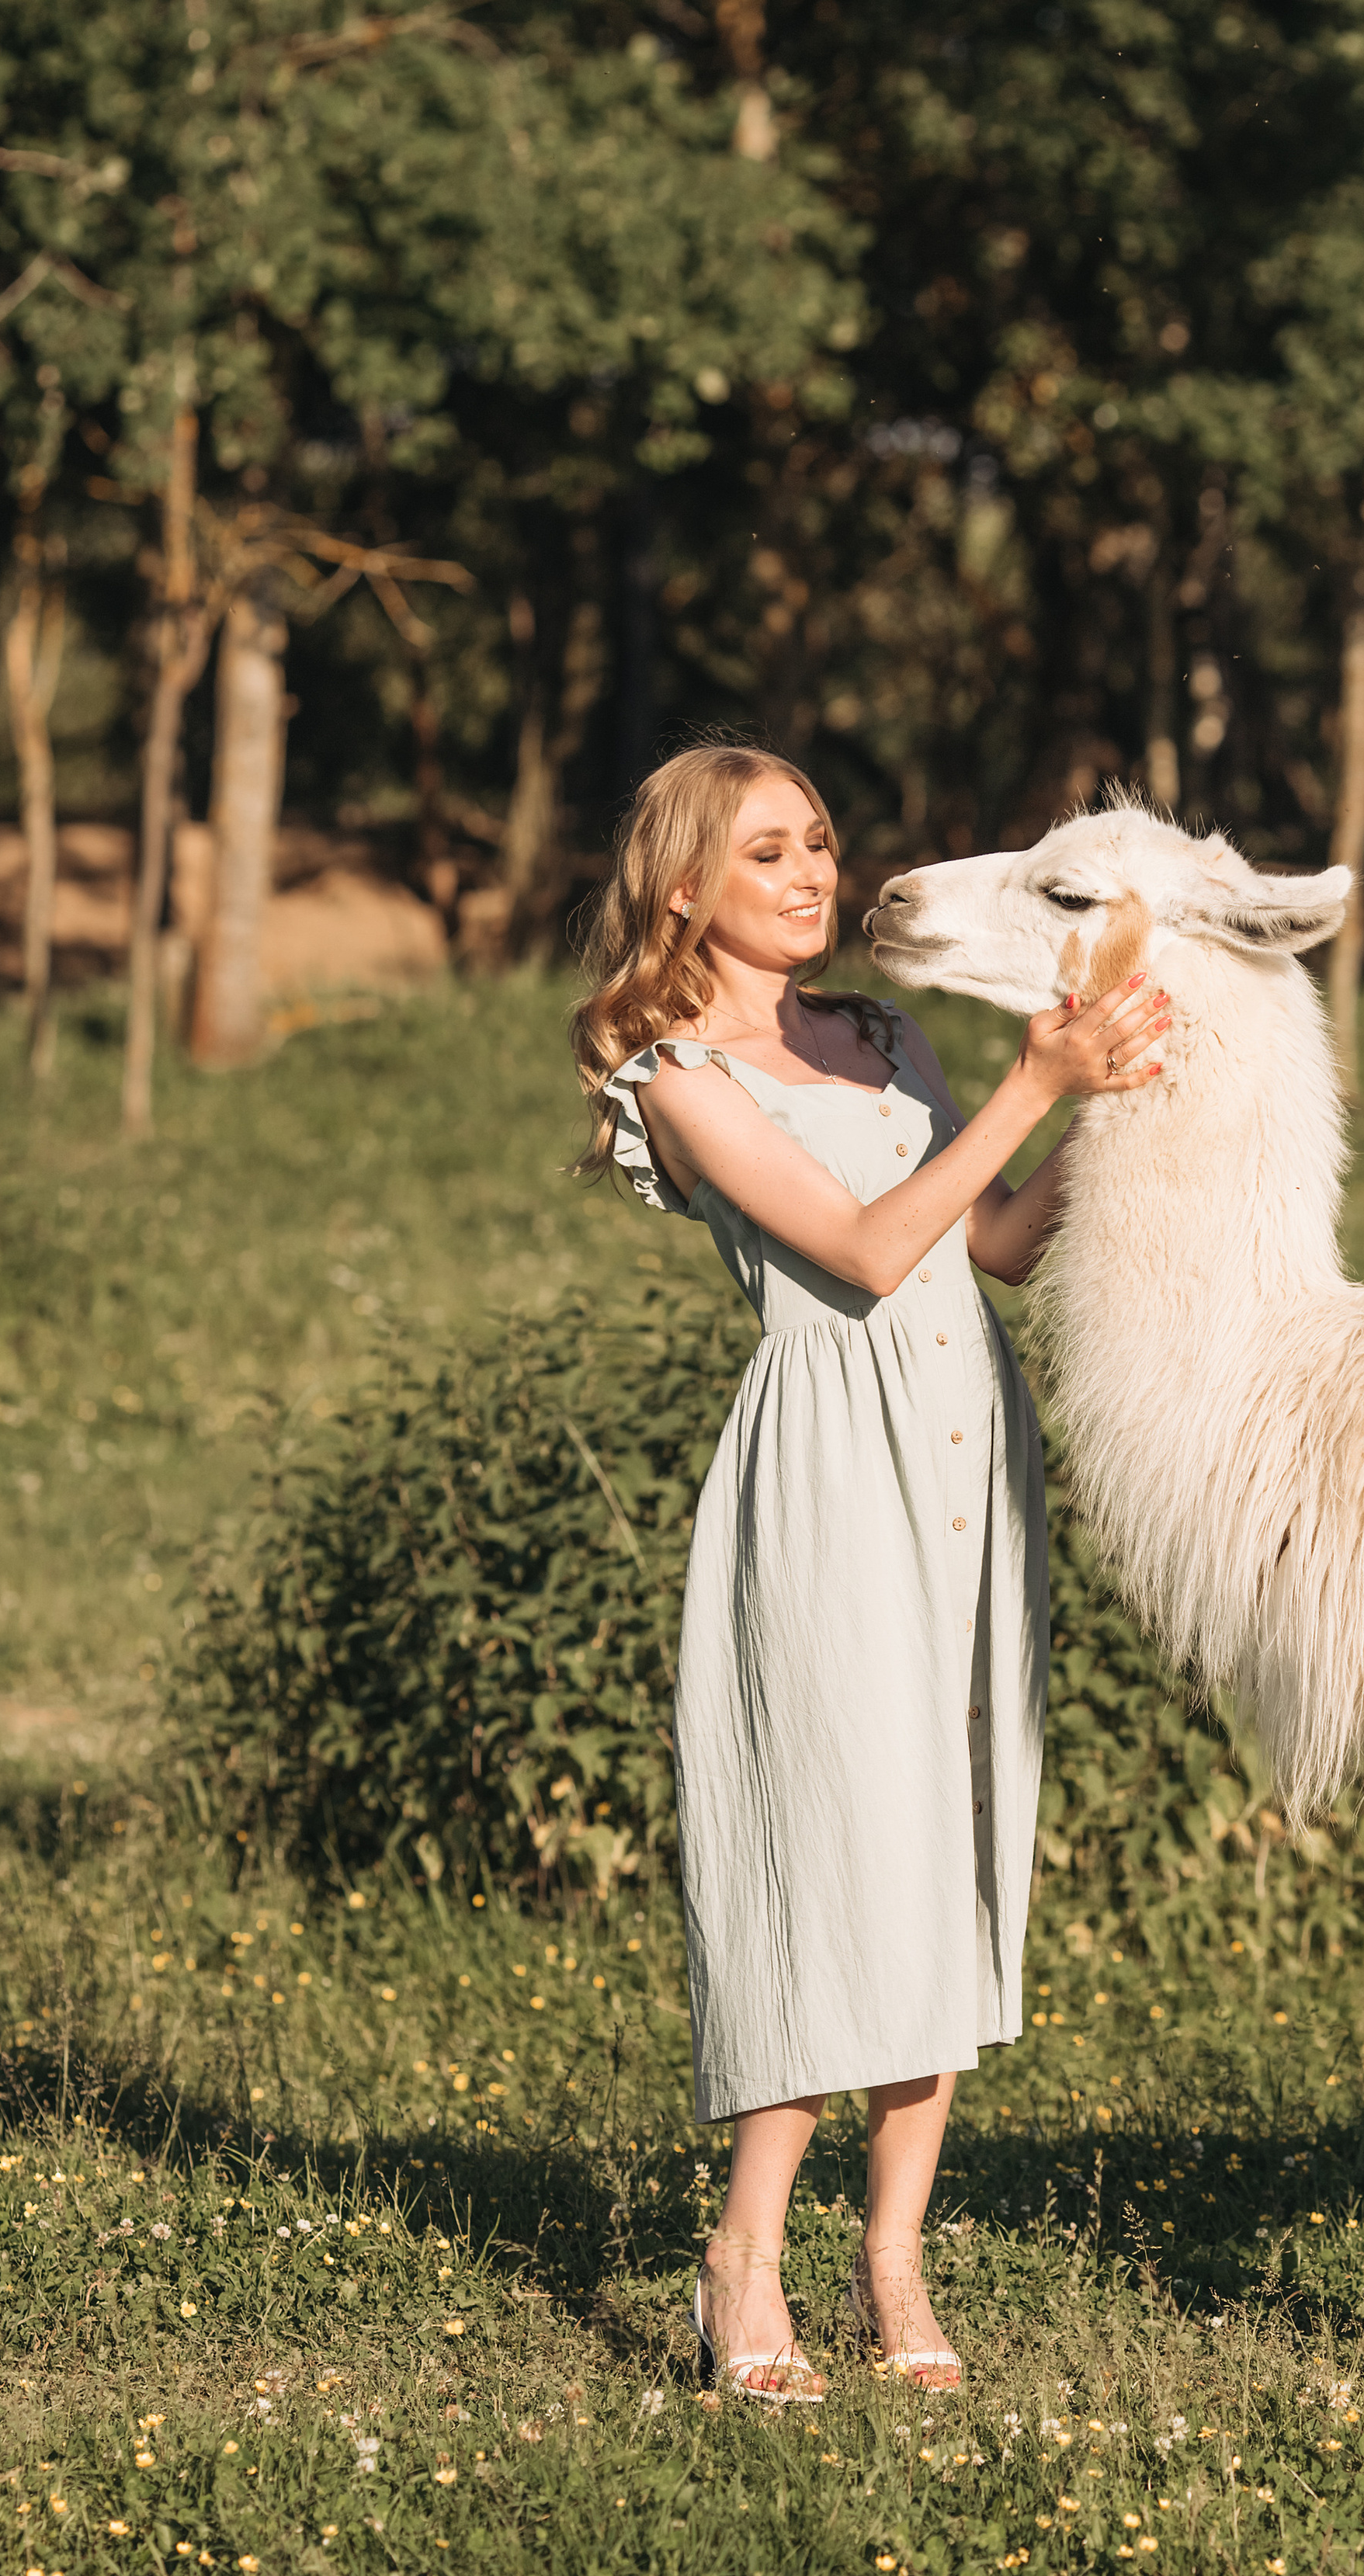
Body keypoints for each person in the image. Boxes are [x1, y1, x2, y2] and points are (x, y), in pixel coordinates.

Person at [569, 745, 1167, 2401]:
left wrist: (1115, 1095)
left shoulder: (885, 1035)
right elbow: (861, 1249)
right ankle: (743, 2258)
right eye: (767, 851)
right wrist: (1036, 1084)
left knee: (948, 1845)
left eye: (819, 842)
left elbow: (994, 1244)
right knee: (835, 1853)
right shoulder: (677, 1076)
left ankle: (894, 2258)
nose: (813, 874)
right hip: (832, 1471)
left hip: (971, 1452)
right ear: (683, 887)